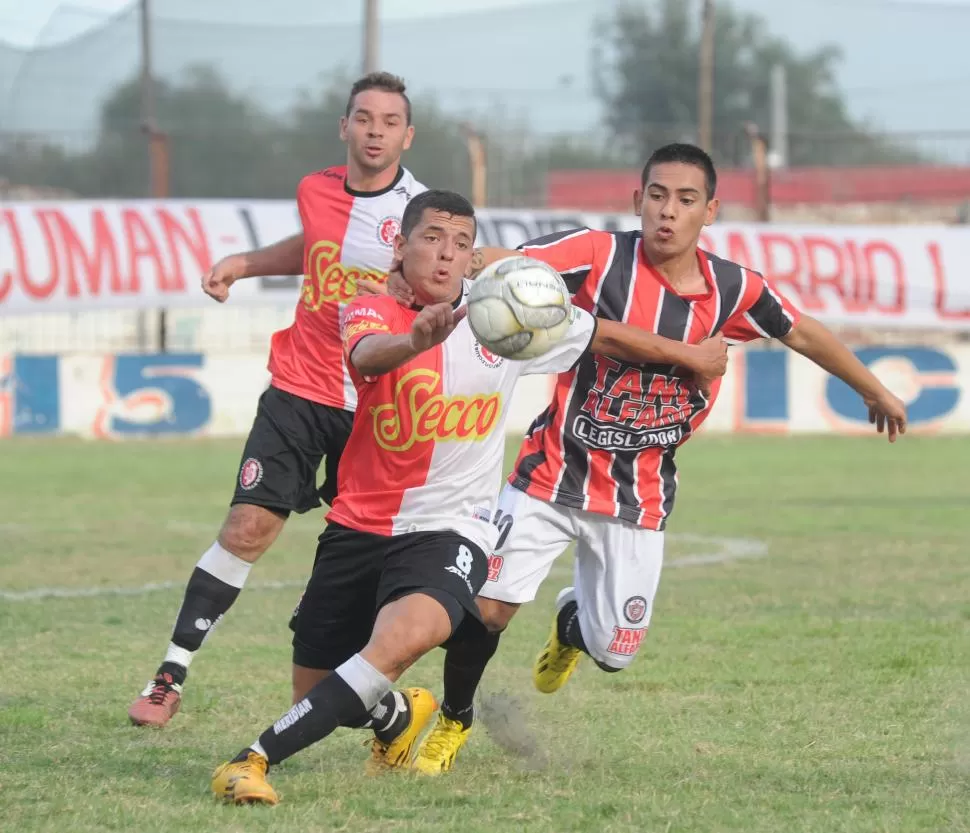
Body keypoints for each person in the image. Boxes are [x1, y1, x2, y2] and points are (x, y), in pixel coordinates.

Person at [379, 143, 908, 776]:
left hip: (639, 500)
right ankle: (456, 721)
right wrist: (423, 277)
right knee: (487, 609)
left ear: (709, 211)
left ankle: (574, 625)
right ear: (638, 200)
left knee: (616, 652)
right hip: (550, 475)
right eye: (657, 195)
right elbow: (505, 263)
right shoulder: (597, 255)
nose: (667, 211)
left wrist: (873, 388)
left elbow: (801, 330)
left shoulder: (733, 289)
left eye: (686, 200)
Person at [209, 188, 730, 805]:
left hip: (454, 527)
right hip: (359, 525)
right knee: (321, 694)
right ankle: (396, 720)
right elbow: (371, 356)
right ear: (400, 247)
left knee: (409, 635)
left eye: (460, 243)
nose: (446, 254)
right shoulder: (368, 309)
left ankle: (250, 761)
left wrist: (690, 355)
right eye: (431, 238)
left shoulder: (505, 321)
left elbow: (606, 337)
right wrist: (417, 340)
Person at [127, 72, 429, 728]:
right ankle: (170, 673)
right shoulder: (315, 189)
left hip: (378, 403)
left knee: (360, 569)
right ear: (343, 127)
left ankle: (381, 705)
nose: (375, 130)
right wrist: (244, 261)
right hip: (300, 384)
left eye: (389, 121)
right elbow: (320, 247)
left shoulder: (421, 213)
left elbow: (450, 275)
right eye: (364, 117)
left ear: (408, 135)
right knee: (246, 527)